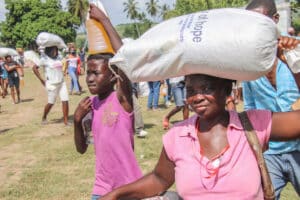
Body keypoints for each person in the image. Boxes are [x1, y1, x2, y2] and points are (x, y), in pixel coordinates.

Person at [74, 4, 143, 199]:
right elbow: (81, 149)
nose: (89, 78)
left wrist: (105, 20)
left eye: (96, 73)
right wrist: (78, 122)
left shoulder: (121, 99)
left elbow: (124, 58)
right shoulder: (91, 106)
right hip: (102, 187)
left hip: (130, 186)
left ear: (114, 76)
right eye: (88, 73)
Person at [243, 0, 300, 198]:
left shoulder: (296, 50)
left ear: (275, 19)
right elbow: (250, 107)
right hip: (270, 152)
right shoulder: (248, 63)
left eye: (262, 21)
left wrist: (294, 67)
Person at [32, 45, 69, 125]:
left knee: (65, 100)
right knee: (51, 103)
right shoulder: (44, 60)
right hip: (52, 84)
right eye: (53, 50)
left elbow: (65, 62)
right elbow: (34, 68)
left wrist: (65, 68)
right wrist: (41, 79)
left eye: (56, 49)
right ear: (49, 51)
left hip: (61, 82)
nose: (55, 51)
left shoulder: (59, 57)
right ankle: (44, 116)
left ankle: (66, 121)